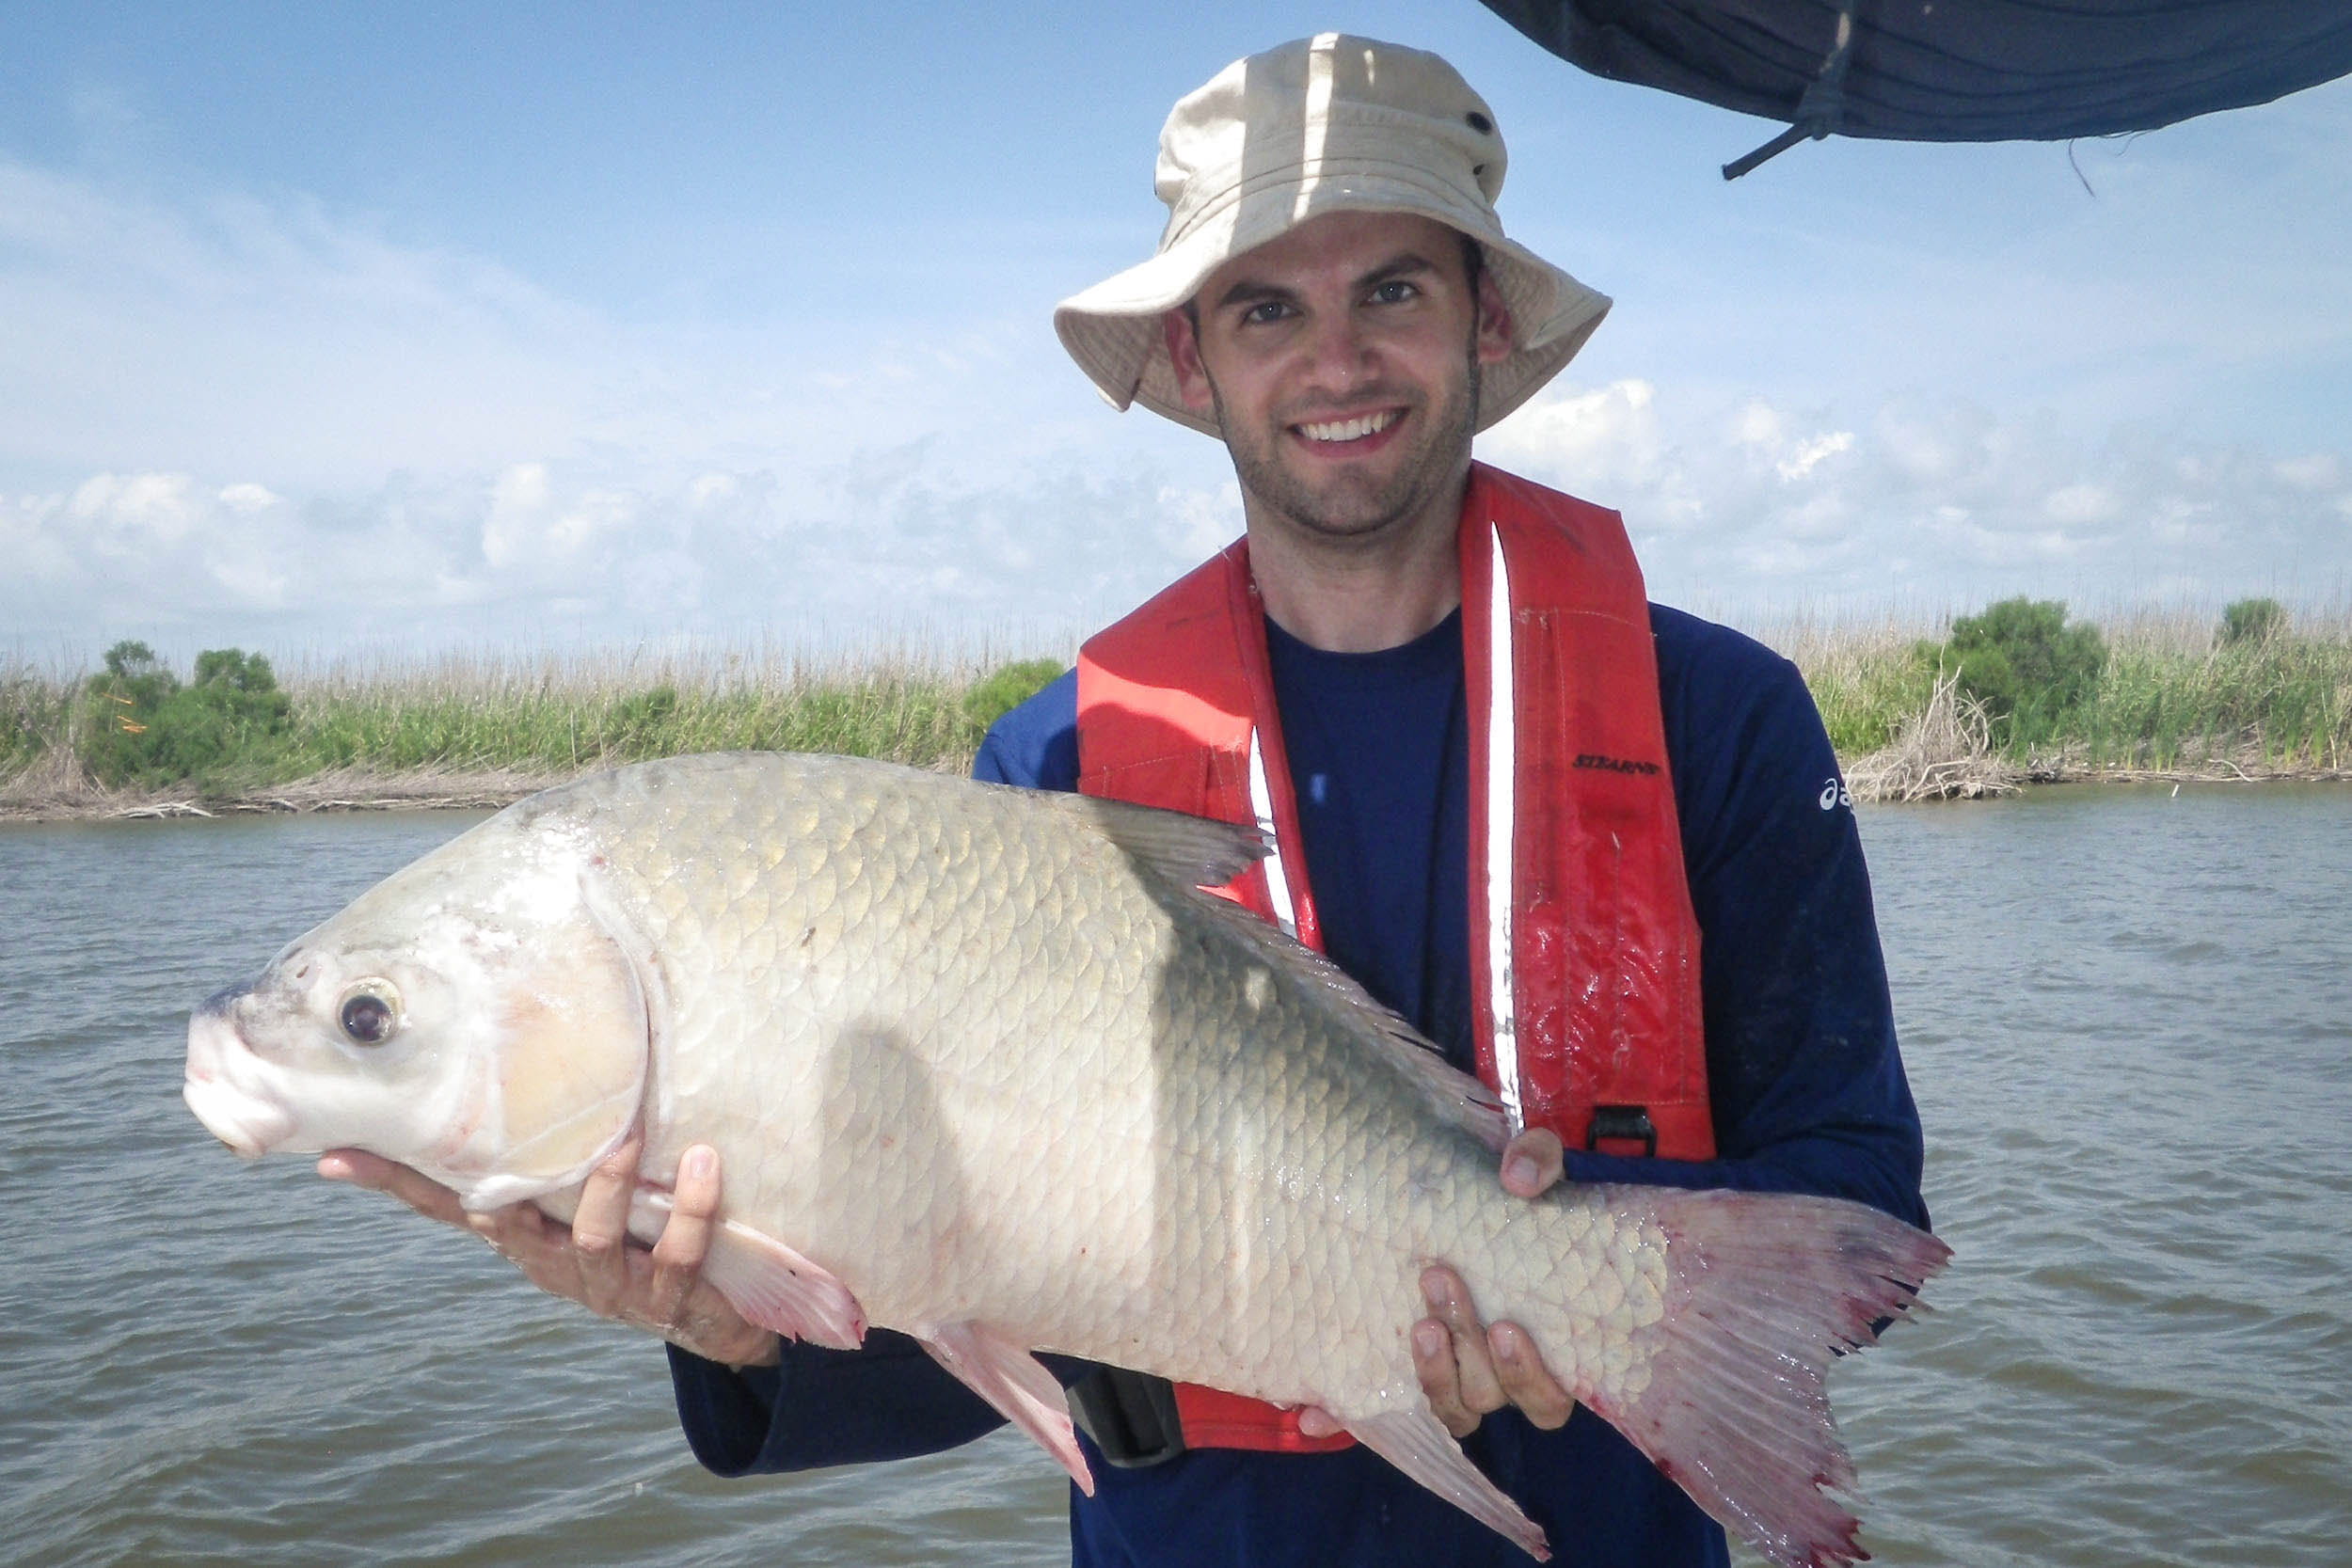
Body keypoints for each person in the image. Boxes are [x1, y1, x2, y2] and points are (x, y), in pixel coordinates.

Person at [325, 34, 1928, 1567]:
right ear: (1191, 357)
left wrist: (1564, 1287)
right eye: (1263, 311)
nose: (1337, 360)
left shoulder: (1716, 716)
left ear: (1483, 322)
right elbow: (955, 1295)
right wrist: (726, 1322)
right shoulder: (1053, 769)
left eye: (1391, 291)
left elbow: (1852, 1202)